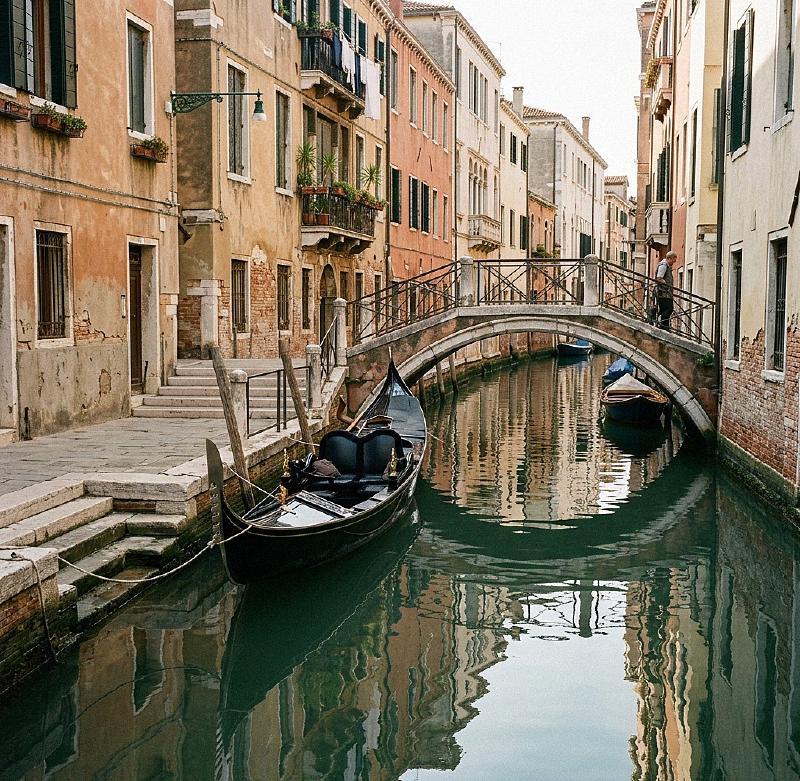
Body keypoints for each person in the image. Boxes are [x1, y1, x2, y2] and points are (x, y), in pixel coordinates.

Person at [654, 251, 677, 330]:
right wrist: (667, 285)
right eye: (673, 260)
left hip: (664, 292)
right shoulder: (664, 265)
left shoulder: (666, 266)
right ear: (669, 258)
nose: (674, 262)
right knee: (669, 309)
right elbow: (659, 278)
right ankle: (663, 326)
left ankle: (664, 326)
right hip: (663, 292)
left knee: (664, 310)